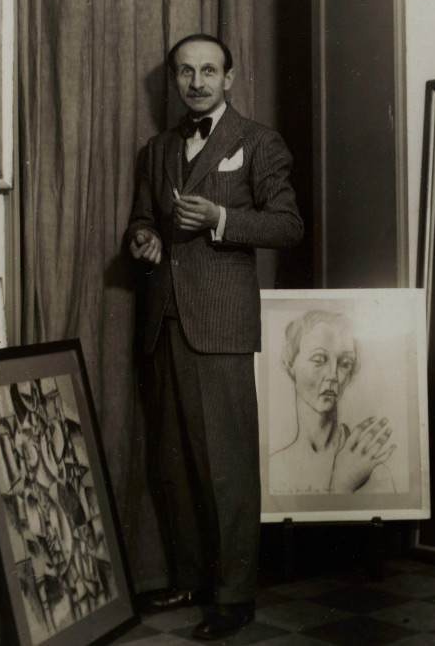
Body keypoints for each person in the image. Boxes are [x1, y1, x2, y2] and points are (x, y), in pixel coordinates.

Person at [127, 33, 303, 640]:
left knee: (226, 468)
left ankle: (234, 595)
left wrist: (220, 219)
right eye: (185, 72)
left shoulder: (258, 141)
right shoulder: (156, 150)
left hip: (222, 326)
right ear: (174, 79)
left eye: (209, 71)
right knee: (174, 463)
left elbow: (287, 225)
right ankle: (189, 578)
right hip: (164, 320)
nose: (197, 82)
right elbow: (143, 218)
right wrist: (144, 240)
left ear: (229, 78)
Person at [269, 310, 395, 494]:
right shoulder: (272, 469)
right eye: (319, 360)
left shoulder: (371, 471)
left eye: (345, 364)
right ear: (290, 363)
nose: (332, 375)